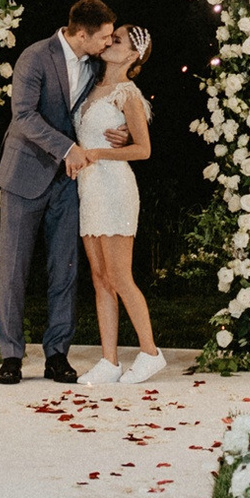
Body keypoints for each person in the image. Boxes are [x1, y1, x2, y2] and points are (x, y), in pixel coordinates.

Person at [0, 0, 118, 385]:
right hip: (25, 176)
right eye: (105, 37)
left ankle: (56, 354)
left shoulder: (97, 64)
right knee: (13, 269)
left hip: (69, 181)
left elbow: (104, 105)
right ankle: (11, 355)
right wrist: (66, 148)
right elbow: (24, 115)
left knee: (64, 269)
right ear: (82, 33)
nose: (109, 44)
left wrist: (122, 129)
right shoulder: (34, 57)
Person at [74, 24, 165, 385]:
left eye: (119, 39)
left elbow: (143, 150)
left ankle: (150, 352)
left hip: (114, 187)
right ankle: (109, 361)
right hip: (89, 188)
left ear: (131, 56)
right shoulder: (91, 87)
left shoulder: (128, 93)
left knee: (119, 276)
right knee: (100, 279)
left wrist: (94, 152)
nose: (110, 40)